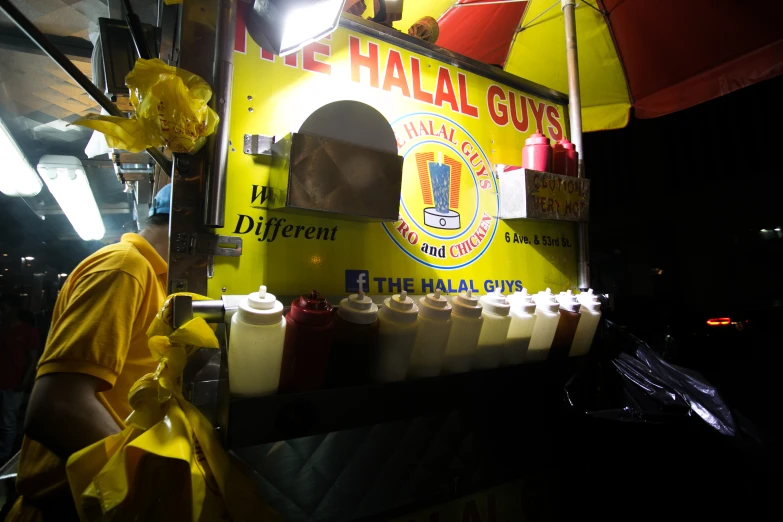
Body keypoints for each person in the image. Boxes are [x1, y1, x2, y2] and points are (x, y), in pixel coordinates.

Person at [6, 184, 172, 522]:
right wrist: (149, 487)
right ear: (187, 219)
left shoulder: (157, 281)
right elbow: (57, 406)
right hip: (67, 507)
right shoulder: (124, 267)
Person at [0, 296, 39, 466]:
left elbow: (33, 358)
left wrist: (24, 381)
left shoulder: (28, 331)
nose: (2, 312)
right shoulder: (3, 329)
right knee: (6, 420)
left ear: (14, 309)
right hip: (5, 381)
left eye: (4, 308)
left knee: (8, 421)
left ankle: (4, 457)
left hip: (13, 383)